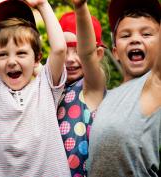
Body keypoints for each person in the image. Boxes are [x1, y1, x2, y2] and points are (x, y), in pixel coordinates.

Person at [0, 0, 71, 176]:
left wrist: (43, 4)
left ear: (37, 59)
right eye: (3, 54)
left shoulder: (46, 85)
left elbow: (59, 49)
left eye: (21, 53)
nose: (12, 61)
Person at [88, 0, 161, 176]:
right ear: (115, 52)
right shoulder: (107, 96)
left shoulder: (155, 84)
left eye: (146, 34)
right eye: (125, 35)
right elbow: (86, 54)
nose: (135, 39)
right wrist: (80, 6)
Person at [56, 0, 106, 176]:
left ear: (99, 54)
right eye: (65, 51)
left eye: (77, 50)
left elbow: (88, 55)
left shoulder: (91, 86)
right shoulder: (54, 87)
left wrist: (80, 7)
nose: (70, 59)